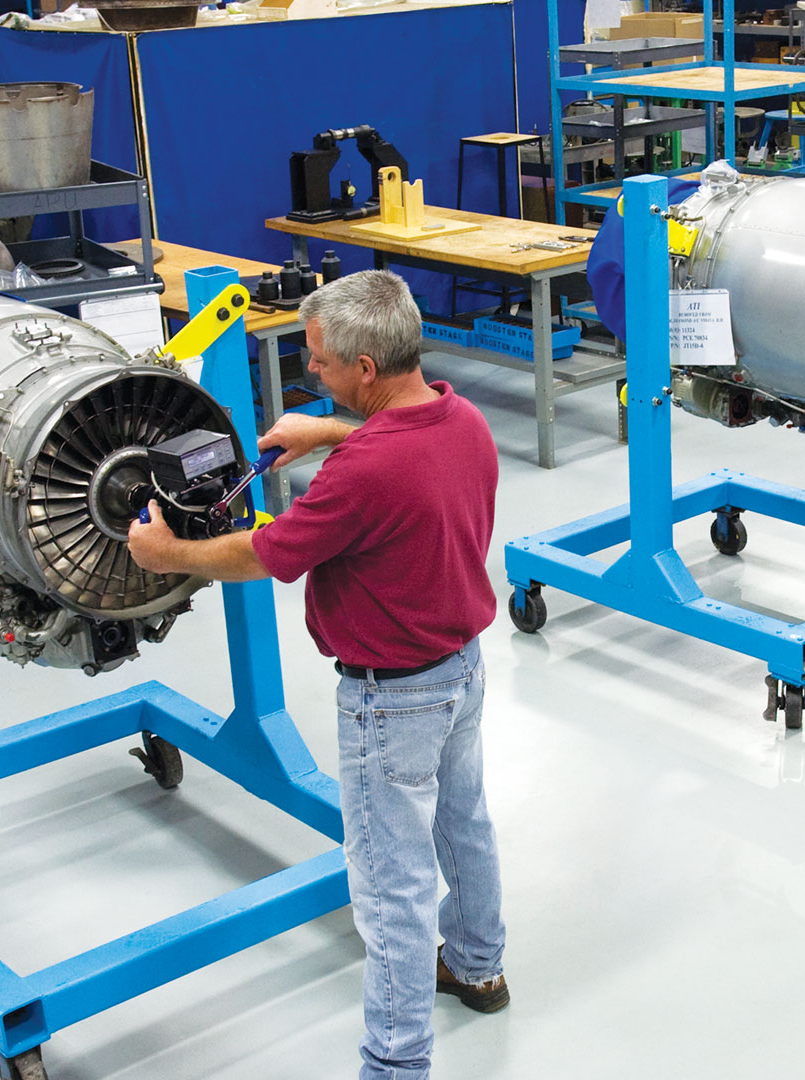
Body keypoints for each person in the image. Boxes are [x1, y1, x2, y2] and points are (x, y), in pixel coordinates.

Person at [126, 269, 508, 1079]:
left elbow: (266, 554)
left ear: (364, 369)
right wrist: (329, 431)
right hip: (463, 674)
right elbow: (403, 445)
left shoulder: (359, 478)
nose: (313, 374)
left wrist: (170, 555)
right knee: (464, 824)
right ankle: (479, 965)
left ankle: (395, 1064)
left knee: (389, 887)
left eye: (322, 364)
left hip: (390, 701)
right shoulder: (464, 418)